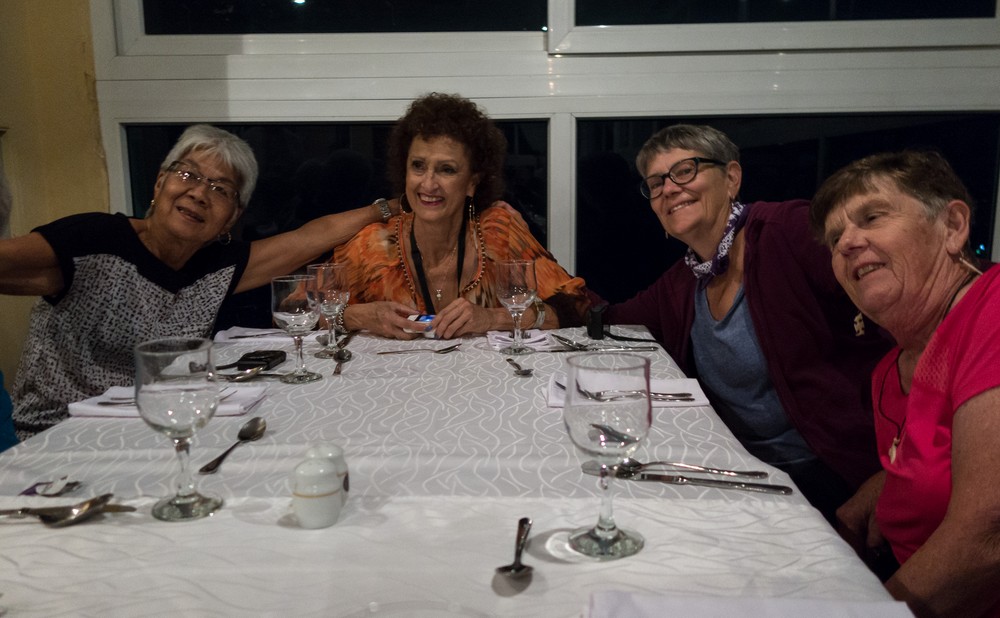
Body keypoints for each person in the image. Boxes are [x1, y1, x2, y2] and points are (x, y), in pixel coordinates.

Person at [0, 124, 400, 440]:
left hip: (151, 429)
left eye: (220, 189)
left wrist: (394, 206)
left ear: (231, 217)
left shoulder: (216, 266)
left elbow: (310, 237)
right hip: (58, 434)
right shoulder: (96, 239)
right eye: (188, 174)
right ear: (160, 184)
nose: (198, 194)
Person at [603, 124, 892, 523]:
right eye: (655, 183)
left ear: (732, 177)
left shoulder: (787, 232)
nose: (669, 189)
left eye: (685, 170)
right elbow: (610, 318)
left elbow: (909, 313)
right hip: (736, 464)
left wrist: (895, 470)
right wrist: (532, 309)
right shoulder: (687, 278)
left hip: (827, 472)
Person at [811, 150, 1000, 617]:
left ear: (953, 226)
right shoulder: (888, 372)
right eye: (835, 238)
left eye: (873, 217)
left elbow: (988, 534)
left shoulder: (992, 312)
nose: (848, 243)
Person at [331, 93, 589, 339]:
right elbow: (301, 311)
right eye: (418, 166)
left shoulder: (499, 232)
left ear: (472, 183)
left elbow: (574, 308)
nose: (428, 184)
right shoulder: (371, 246)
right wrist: (357, 316)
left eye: (447, 169)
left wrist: (492, 319)